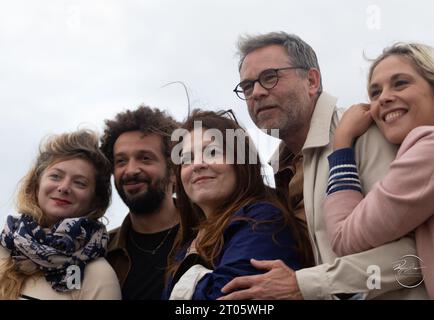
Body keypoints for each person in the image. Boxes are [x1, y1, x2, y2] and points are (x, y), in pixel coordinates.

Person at [221, 31, 428, 299]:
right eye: (247, 87)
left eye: (269, 77)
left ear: (311, 80)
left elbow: (415, 257)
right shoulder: (275, 171)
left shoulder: (366, 133)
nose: (257, 92)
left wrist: (303, 284)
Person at [324, 43, 434, 299]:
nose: (384, 97)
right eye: (374, 92)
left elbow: (343, 239)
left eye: (400, 83)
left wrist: (342, 144)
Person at [163, 109, 313, 300]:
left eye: (212, 152)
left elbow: (226, 298)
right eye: (187, 159)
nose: (197, 165)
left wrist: (186, 279)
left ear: (241, 162)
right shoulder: (190, 244)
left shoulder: (263, 220)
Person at [0, 129, 121, 300]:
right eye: (56, 176)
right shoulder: (5, 247)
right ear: (36, 185)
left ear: (95, 201)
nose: (64, 187)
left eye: (79, 183)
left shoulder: (97, 275)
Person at [100, 105, 180, 300]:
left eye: (145, 158)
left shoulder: (211, 235)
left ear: (173, 171)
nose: (131, 170)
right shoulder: (100, 251)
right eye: (121, 161)